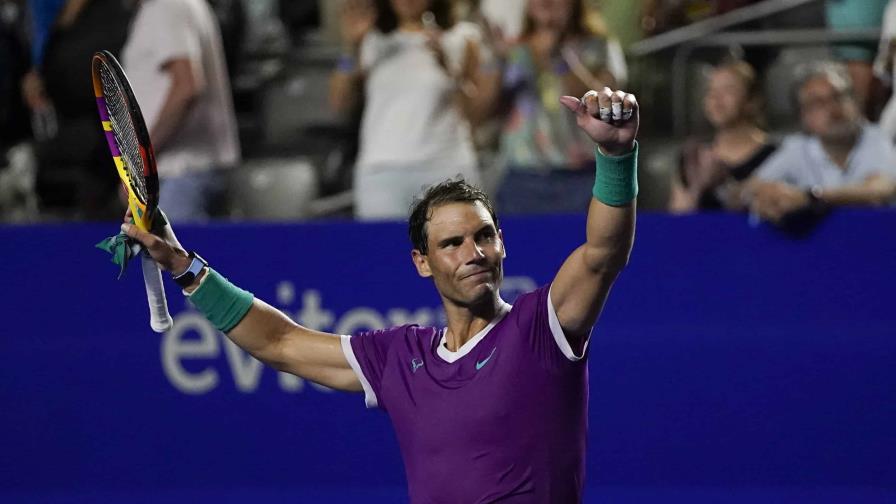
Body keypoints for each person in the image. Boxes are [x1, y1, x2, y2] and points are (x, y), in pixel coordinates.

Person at [122, 85, 640, 502]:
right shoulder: (401, 357)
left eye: (484, 236)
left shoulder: (541, 327)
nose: (474, 252)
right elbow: (280, 343)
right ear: (423, 261)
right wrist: (185, 267)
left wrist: (615, 156)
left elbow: (602, 253)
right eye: (452, 243)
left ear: (502, 244)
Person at [329, 0, 500, 220]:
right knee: (384, 252)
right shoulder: (371, 39)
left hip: (447, 168)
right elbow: (339, 103)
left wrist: (448, 68)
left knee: (456, 249)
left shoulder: (462, 37)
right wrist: (351, 47)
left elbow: (477, 115)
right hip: (382, 171)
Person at [496, 0, 628, 214]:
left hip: (581, 177)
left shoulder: (599, 45)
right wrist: (494, 63)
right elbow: (483, 114)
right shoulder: (513, 49)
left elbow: (603, 106)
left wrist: (558, 56)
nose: (546, 2)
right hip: (522, 178)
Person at [122, 0, 241, 222]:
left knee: (169, 257)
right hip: (180, 176)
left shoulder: (168, 6)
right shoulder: (169, 7)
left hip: (180, 176)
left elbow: (186, 87)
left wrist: (140, 163)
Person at [747, 61, 896, 224]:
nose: (832, 110)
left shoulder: (880, 138)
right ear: (803, 117)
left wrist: (810, 197)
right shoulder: (797, 147)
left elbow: (881, 190)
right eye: (818, 103)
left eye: (838, 97)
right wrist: (769, 197)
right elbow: (751, 189)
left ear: (855, 101)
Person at [668, 59, 776, 213]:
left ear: (752, 100)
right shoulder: (693, 158)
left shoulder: (775, 155)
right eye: (711, 90)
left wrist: (724, 186)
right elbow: (677, 221)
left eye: (728, 90)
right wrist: (698, 187)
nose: (716, 98)